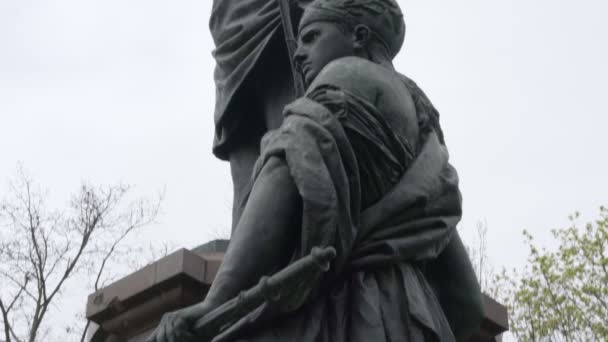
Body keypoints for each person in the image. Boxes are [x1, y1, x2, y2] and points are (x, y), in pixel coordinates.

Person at [148, 0, 482, 341]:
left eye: (310, 37)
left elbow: (287, 172)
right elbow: (467, 302)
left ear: (358, 36)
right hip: (415, 316)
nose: (298, 52)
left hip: (353, 313)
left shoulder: (342, 76)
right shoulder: (422, 123)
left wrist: (216, 304)